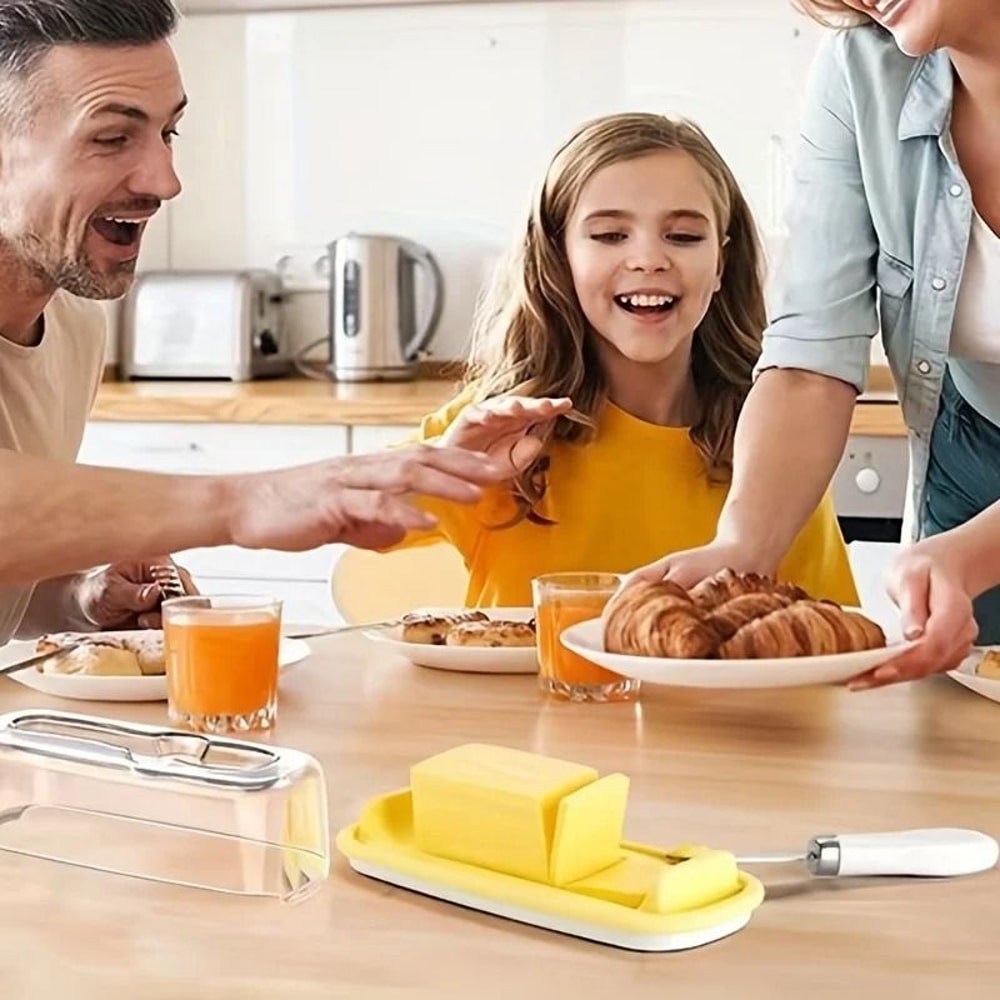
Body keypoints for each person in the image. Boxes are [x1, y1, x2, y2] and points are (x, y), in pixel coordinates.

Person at [0, 0, 502, 645]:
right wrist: (245, 501)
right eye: (111, 137)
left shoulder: (74, 323)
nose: (165, 180)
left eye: (167, 133)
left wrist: (79, 598)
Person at [629, 0, 1000, 687]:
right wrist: (744, 545)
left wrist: (976, 555)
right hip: (973, 453)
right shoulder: (863, 72)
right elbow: (811, 354)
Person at [381, 112, 857, 608]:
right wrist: (448, 468)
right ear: (559, 259)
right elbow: (354, 514)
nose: (649, 258)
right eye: (610, 236)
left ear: (722, 263)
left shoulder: (778, 448)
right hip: (527, 690)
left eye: (684, 236)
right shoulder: (500, 429)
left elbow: (827, 642)